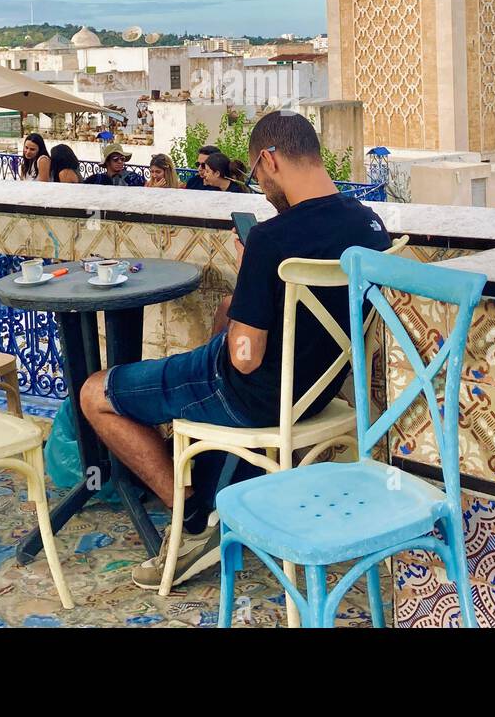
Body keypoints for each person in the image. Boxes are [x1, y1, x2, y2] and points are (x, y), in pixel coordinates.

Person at [79, 110, 391, 590]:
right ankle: (211, 484)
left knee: (95, 391)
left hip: (251, 394)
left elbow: (244, 357)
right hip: (320, 391)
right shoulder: (370, 225)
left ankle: (191, 519)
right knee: (225, 311)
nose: (262, 189)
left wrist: (251, 268)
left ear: (269, 159)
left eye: (259, 176)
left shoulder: (270, 238)